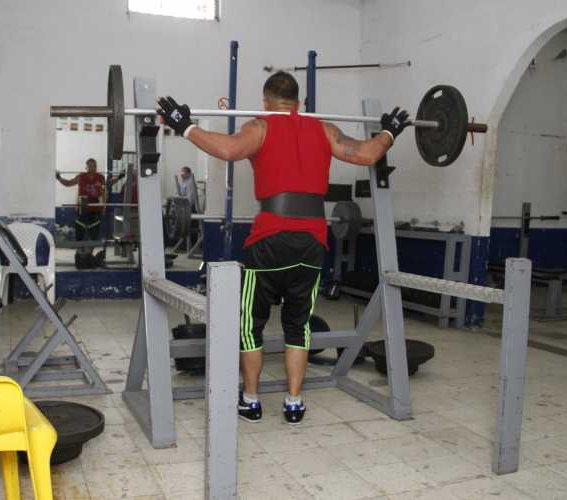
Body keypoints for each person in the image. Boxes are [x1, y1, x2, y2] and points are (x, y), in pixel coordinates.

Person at [157, 71, 410, 425]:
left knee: (250, 326)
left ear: (266, 102)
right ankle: (294, 403)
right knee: (299, 326)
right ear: (299, 103)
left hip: (269, 240)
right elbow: (368, 154)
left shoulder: (260, 127)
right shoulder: (323, 129)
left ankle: (251, 401)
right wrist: (389, 132)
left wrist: (185, 127)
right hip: (312, 242)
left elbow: (228, 149)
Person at [56, 158, 124, 241]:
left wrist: (119, 177)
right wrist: (59, 178)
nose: (93, 168)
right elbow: (69, 183)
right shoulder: (81, 176)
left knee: (94, 236)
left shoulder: (100, 177)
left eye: (94, 166)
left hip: (95, 211)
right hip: (82, 209)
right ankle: (79, 248)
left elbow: (108, 183)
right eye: (90, 166)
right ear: (86, 167)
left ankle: (91, 248)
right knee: (79, 236)